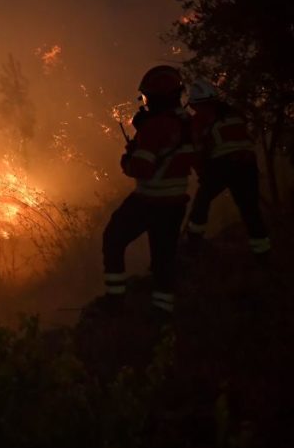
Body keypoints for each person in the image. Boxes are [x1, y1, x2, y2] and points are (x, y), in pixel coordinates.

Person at [102, 65, 195, 316]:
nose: (145, 103)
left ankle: (115, 301)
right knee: (163, 258)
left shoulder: (155, 127)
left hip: (150, 200)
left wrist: (128, 158)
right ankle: (162, 314)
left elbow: (141, 168)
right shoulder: (188, 123)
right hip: (176, 202)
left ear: (156, 97)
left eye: (146, 98)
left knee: (113, 238)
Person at [185, 79, 271, 262]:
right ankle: (263, 255)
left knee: (201, 204)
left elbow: (197, 150)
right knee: (250, 211)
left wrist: (202, 173)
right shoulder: (233, 113)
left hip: (223, 166)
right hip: (247, 165)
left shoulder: (201, 118)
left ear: (196, 103)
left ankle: (192, 248)